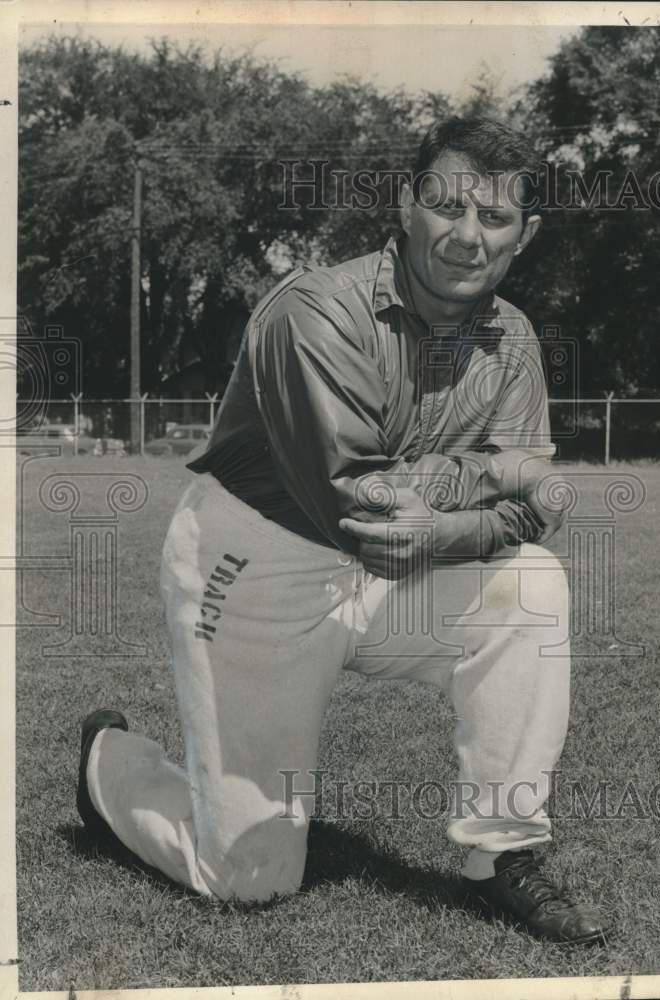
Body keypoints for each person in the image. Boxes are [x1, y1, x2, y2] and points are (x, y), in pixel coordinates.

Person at [77, 116, 609, 945]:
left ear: (524, 236)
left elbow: (527, 512)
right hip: (255, 560)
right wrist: (495, 479)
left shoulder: (516, 339)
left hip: (402, 564)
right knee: (246, 877)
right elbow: (369, 509)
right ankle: (106, 762)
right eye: (447, 206)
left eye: (495, 219)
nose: (469, 238)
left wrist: (463, 515)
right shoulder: (314, 313)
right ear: (406, 204)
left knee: (531, 585)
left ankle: (502, 853)